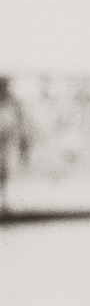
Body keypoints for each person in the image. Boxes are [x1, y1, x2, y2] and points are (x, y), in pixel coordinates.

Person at [0, 76, 31, 213]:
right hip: (5, 140)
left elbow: (20, 122)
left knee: (4, 170)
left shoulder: (13, 101)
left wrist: (23, 143)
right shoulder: (11, 102)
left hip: (6, 141)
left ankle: (4, 201)